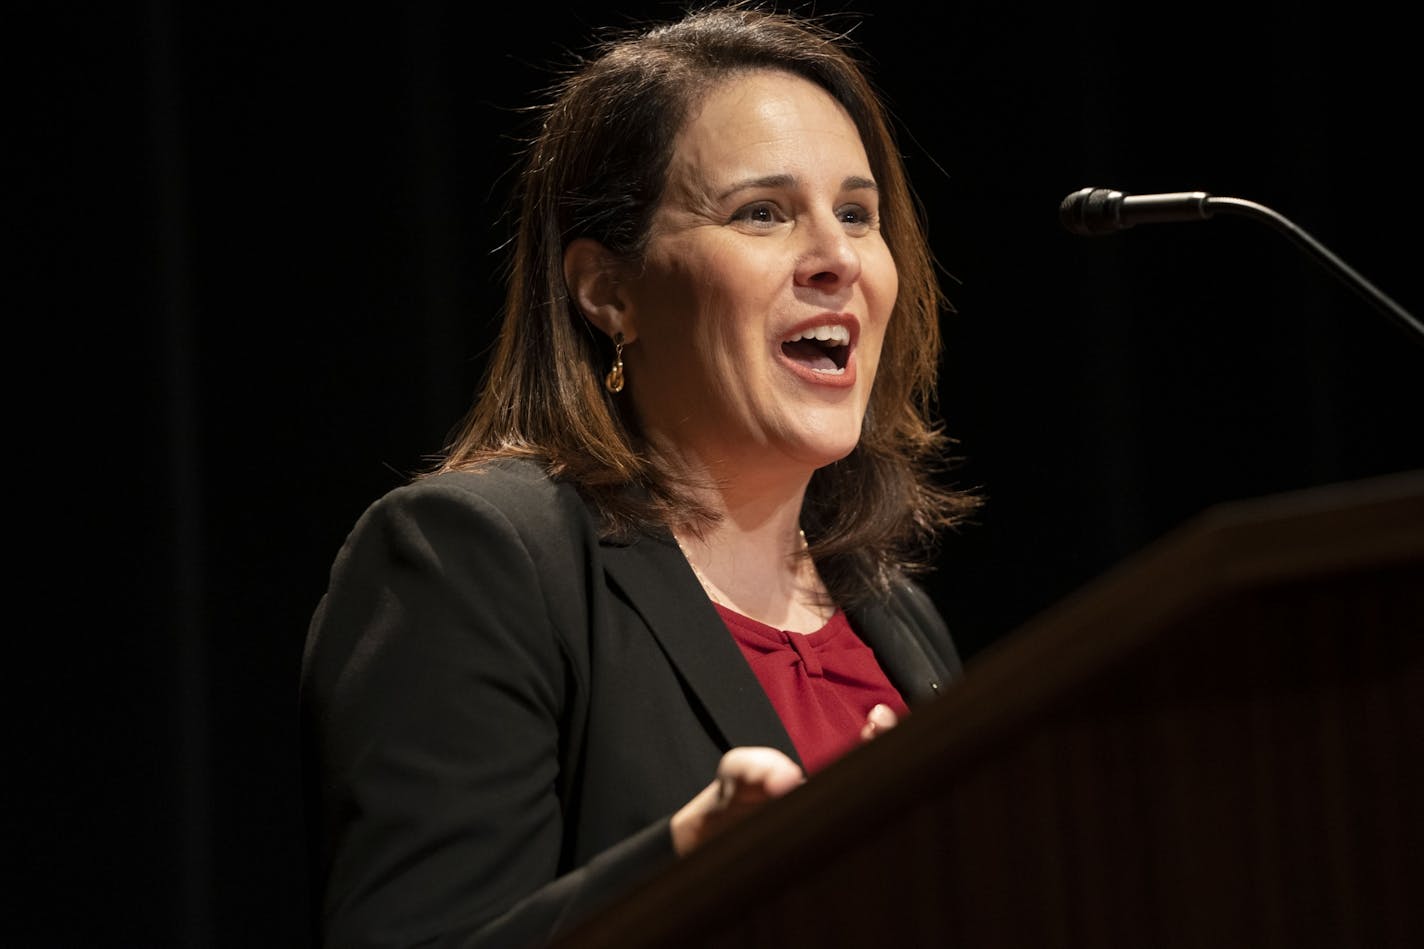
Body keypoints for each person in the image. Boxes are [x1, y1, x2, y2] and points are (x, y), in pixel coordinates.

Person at [300, 3, 980, 946]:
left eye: (858, 215)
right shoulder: (477, 561)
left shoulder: (894, 613)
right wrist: (691, 858)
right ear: (609, 291)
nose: (837, 259)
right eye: (763, 212)